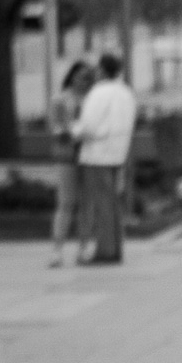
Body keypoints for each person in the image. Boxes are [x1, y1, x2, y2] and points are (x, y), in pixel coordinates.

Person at [76, 50, 136, 265]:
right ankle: (115, 248)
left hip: (97, 154)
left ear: (102, 70)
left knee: (101, 204)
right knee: (113, 204)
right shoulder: (126, 93)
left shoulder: (98, 93)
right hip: (118, 153)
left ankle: (105, 251)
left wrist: (75, 132)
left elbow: (89, 126)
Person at [47, 59, 94, 267]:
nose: (85, 81)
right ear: (72, 76)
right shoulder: (60, 99)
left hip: (90, 155)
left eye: (89, 77)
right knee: (66, 202)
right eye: (82, 76)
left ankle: (83, 248)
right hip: (66, 156)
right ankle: (57, 251)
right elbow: (54, 128)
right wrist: (68, 132)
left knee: (86, 204)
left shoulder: (94, 99)